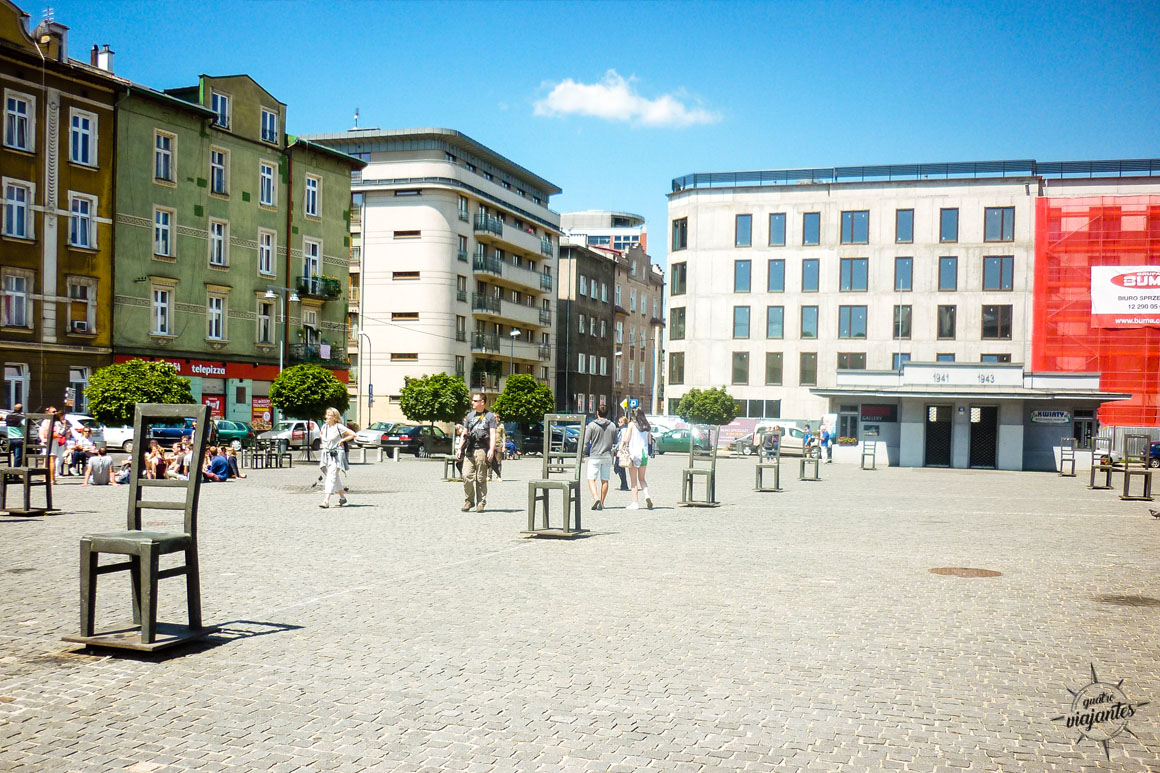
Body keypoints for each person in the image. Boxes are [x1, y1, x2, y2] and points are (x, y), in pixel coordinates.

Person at [457, 393, 496, 512]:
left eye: (475, 400)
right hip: (470, 449)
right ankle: (469, 500)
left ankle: (481, 502)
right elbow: (465, 432)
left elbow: (493, 434)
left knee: (480, 477)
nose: (472, 402)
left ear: (482, 402)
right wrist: (459, 448)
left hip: (482, 449)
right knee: (466, 475)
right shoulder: (469, 416)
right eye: (473, 400)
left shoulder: (490, 416)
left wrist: (491, 449)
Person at [583, 404, 619, 511]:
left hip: (594, 455)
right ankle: (602, 503)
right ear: (607, 414)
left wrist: (583, 454)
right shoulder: (612, 425)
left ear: (597, 413)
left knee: (591, 479)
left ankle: (596, 498)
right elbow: (616, 441)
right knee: (605, 480)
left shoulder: (591, 425)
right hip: (607, 456)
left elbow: (585, 442)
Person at [318, 407, 355, 507]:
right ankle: (342, 498)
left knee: (331, 476)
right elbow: (322, 437)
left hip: (336, 455)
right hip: (326, 454)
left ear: (335, 417)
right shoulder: (324, 427)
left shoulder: (339, 427)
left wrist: (342, 440)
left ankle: (326, 500)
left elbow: (353, 434)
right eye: (327, 414)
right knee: (334, 476)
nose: (328, 417)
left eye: (331, 415)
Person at [622, 409, 652, 510]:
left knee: (633, 481)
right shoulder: (647, 426)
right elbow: (649, 442)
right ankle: (647, 495)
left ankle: (635, 503)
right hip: (644, 454)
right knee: (642, 478)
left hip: (634, 454)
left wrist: (621, 446)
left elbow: (626, 439)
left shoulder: (631, 425)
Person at [612, 416, 630, 490]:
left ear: (624, 423)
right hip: (620, 449)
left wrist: (620, 450)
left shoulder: (624, 429)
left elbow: (623, 440)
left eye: (620, 422)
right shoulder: (622, 429)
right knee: (620, 467)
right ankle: (623, 484)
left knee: (619, 467)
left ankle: (624, 484)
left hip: (621, 450)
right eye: (618, 422)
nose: (618, 423)